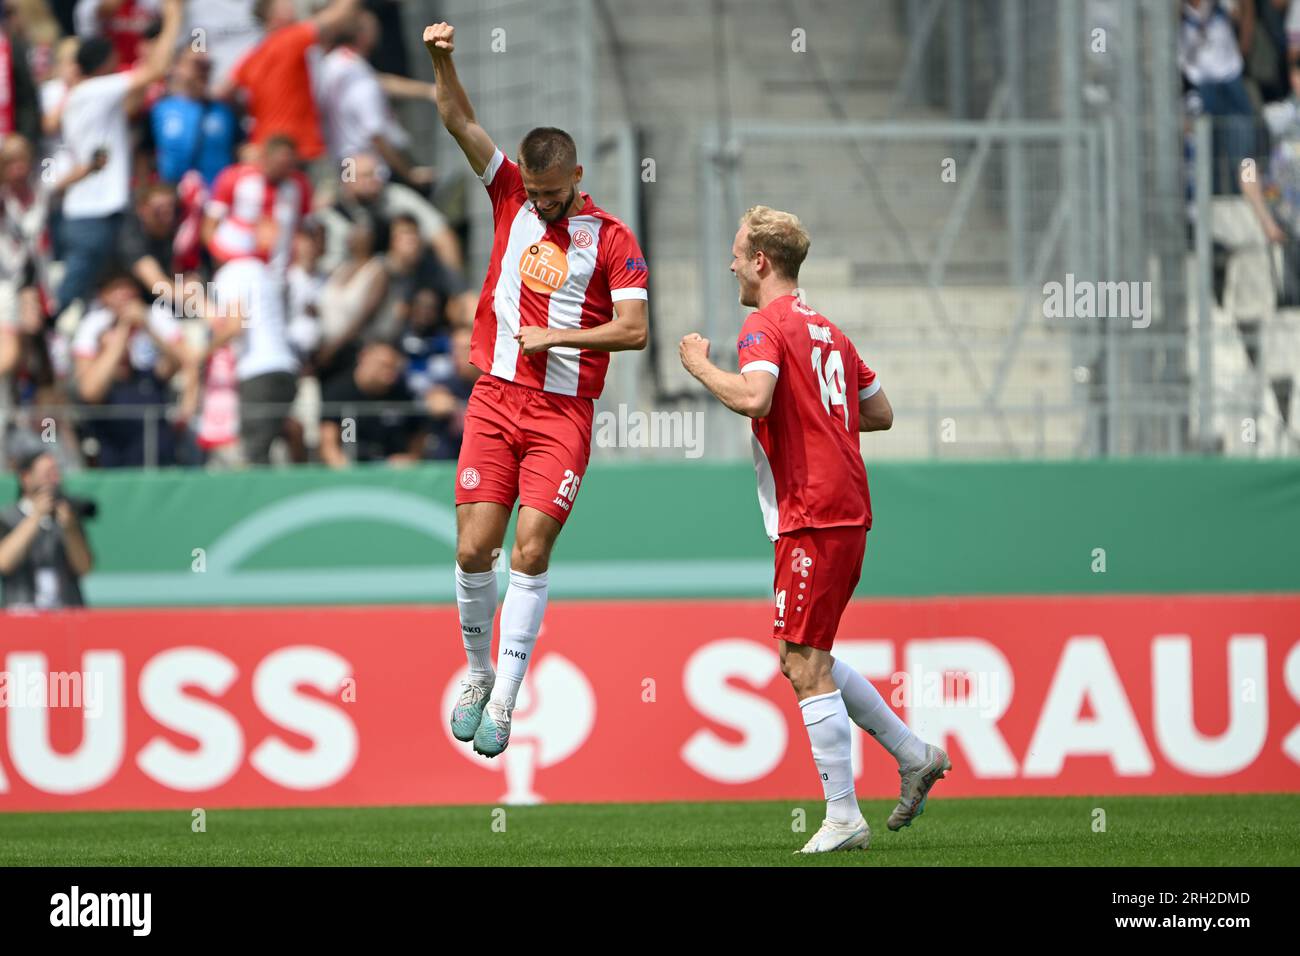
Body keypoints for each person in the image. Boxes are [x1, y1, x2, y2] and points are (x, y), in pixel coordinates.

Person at [678, 205, 949, 854]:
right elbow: (879, 412)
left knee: (801, 664)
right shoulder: (829, 331)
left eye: (739, 253)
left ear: (762, 263)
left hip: (813, 511)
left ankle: (843, 816)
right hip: (847, 507)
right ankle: (913, 754)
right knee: (809, 656)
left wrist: (698, 365)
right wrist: (821, 420)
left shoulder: (763, 327)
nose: (732, 264)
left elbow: (753, 398)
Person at [423, 22, 650, 758]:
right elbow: (457, 117)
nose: (546, 205)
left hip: (562, 413)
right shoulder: (508, 193)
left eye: (556, 194)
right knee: (471, 549)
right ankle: (478, 674)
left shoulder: (612, 239)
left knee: (529, 551)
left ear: (578, 175)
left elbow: (635, 331)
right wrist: (440, 59)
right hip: (495, 398)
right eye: (539, 193)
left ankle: (509, 702)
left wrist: (560, 340)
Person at [57, 0, 182, 312]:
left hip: (102, 210)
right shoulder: (96, 89)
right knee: (72, 297)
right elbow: (156, 71)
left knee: (96, 293)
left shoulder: (86, 96)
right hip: (93, 213)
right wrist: (174, 14)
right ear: (101, 65)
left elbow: (131, 106)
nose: (117, 61)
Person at [0, 447, 93, 609]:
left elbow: (84, 567)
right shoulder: (7, 518)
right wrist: (36, 516)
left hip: (66, 612)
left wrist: (70, 528)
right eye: (47, 474)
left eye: (56, 473)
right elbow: (4, 562)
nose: (53, 480)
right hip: (23, 612)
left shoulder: (68, 517)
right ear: (26, 478)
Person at [318, 340, 424, 466]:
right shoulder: (338, 392)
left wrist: (411, 458)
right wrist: (343, 469)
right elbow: (328, 443)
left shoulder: (402, 394)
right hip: (352, 468)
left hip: (393, 472)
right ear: (364, 357)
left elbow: (418, 435)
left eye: (394, 368)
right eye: (384, 366)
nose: (390, 374)